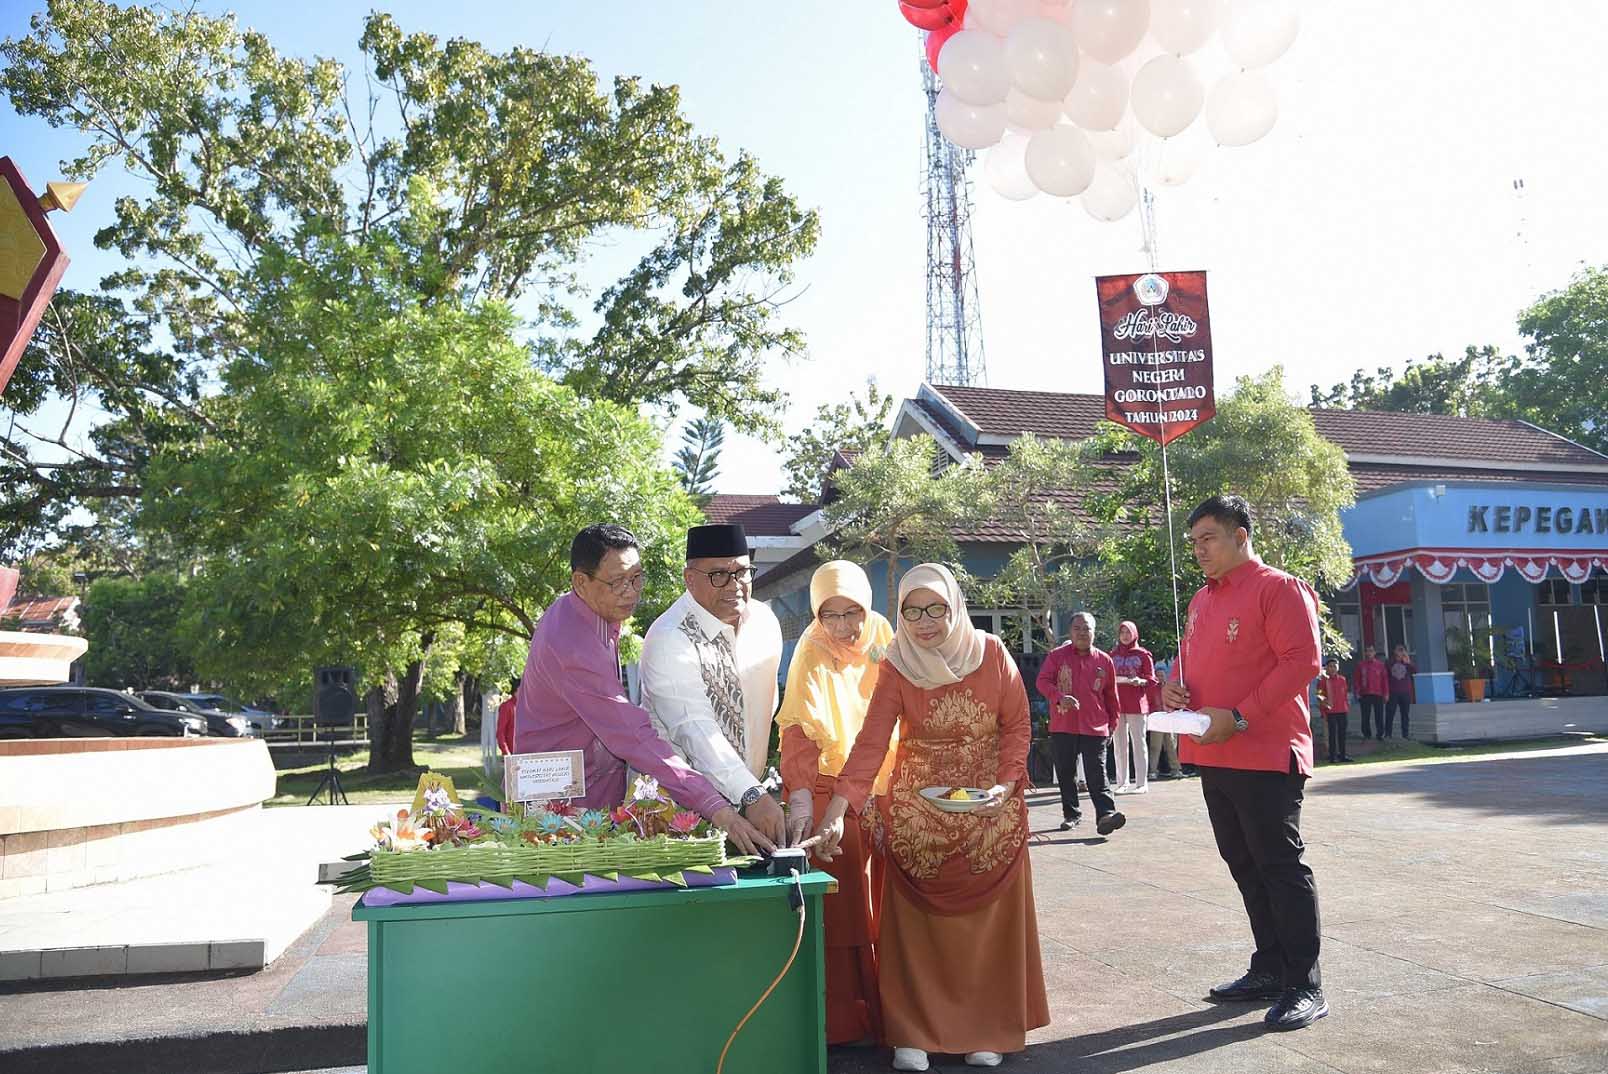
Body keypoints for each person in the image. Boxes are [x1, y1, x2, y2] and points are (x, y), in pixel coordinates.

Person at [813, 564, 1049, 1071]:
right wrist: (838, 808)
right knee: (918, 932)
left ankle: (985, 1028)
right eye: (911, 611)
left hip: (989, 803)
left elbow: (1017, 724)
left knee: (984, 930)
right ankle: (914, 1032)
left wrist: (1006, 785)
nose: (924, 622)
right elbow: (871, 742)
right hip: (919, 807)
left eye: (935, 608)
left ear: (955, 606)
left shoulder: (991, 653)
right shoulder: (897, 665)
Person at [1161, 494, 1328, 1031]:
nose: (1199, 550)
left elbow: (1302, 662)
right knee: (1243, 861)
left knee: (1279, 864)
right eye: (1193, 542)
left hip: (1264, 749)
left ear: (1241, 535)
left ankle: (1305, 982)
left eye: (1209, 537)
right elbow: (1193, 664)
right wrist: (1174, 689)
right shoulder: (1201, 600)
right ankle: (1270, 967)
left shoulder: (1278, 588)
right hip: (1215, 751)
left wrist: (1240, 715)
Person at [512, 524, 773, 855]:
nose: (631, 592)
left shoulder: (592, 614)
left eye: (636, 578)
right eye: (618, 581)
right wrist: (717, 808)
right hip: (559, 810)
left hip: (592, 796)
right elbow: (632, 735)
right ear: (581, 582)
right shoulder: (572, 642)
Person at [776, 561, 897, 1047]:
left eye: (853, 612)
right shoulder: (810, 651)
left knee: (889, 905)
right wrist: (805, 812)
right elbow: (798, 733)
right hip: (827, 789)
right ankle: (844, 1023)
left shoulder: (882, 637)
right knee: (844, 908)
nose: (845, 626)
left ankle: (895, 1013)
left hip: (884, 784)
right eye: (831, 615)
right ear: (816, 615)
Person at [640, 523, 787, 850]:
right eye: (719, 574)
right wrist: (751, 793)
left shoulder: (764, 622)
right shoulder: (669, 638)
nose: (734, 585)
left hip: (751, 807)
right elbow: (695, 730)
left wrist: (754, 791)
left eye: (743, 572)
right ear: (689, 578)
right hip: (678, 814)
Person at [1036, 612, 1126, 836]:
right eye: (1077, 628)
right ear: (1070, 632)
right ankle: (1071, 814)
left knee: (1097, 771)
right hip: (1063, 724)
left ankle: (1105, 814)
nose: (1082, 633)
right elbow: (1042, 681)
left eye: (1087, 628)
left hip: (1095, 726)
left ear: (1094, 632)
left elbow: (1111, 696)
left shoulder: (1104, 660)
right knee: (1066, 773)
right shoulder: (1057, 656)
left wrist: (1112, 725)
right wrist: (1059, 696)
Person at [1111, 620, 1157, 794]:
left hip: (1137, 704)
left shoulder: (1143, 654)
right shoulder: (1112, 655)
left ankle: (1141, 783)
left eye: (1128, 632)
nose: (1124, 635)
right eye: (1122, 632)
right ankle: (1122, 783)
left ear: (1134, 634)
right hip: (1117, 704)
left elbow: (1152, 680)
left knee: (1139, 744)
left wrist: (1141, 681)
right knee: (1119, 745)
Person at [1149, 655, 1182, 780]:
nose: (1160, 677)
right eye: (1158, 675)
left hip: (1169, 718)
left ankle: (1176, 769)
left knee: (1171, 745)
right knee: (1155, 746)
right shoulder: (1152, 689)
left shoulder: (1170, 688)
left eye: (1162, 675)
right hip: (1157, 719)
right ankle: (1153, 770)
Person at [1315, 658, 1352, 763]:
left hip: (1342, 710)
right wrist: (1323, 711)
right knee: (1332, 735)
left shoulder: (1342, 679)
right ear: (1326, 668)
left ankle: (1342, 755)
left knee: (1342, 734)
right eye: (1330, 666)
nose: (1332, 668)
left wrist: (1346, 707)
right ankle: (1332, 756)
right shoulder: (1323, 681)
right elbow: (1320, 696)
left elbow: (1344, 695)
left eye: (1334, 666)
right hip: (1330, 711)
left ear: (1338, 668)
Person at [1353, 644, 1388, 740]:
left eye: (1371, 651)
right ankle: (1366, 734)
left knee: (1379, 715)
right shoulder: (1361, 665)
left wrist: (1386, 693)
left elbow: (1384, 680)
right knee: (1365, 715)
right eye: (1367, 651)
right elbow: (1357, 680)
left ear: (1374, 653)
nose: (1369, 653)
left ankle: (1380, 734)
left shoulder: (1380, 665)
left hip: (1378, 693)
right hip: (1365, 693)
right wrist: (1357, 692)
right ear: (1365, 653)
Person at [1386, 644, 1416, 739]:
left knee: (1405, 714)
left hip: (1405, 692)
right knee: (1390, 713)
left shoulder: (1406, 663)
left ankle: (1405, 734)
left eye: (1401, 650)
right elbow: (1385, 677)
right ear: (1394, 651)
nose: (1400, 652)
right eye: (1398, 650)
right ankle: (1388, 733)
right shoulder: (1389, 663)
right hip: (1393, 692)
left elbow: (1415, 671)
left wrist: (1408, 662)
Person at [495, 677, 519, 756]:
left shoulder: (527, 706)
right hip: (512, 753)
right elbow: (500, 732)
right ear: (518, 689)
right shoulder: (507, 706)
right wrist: (506, 751)